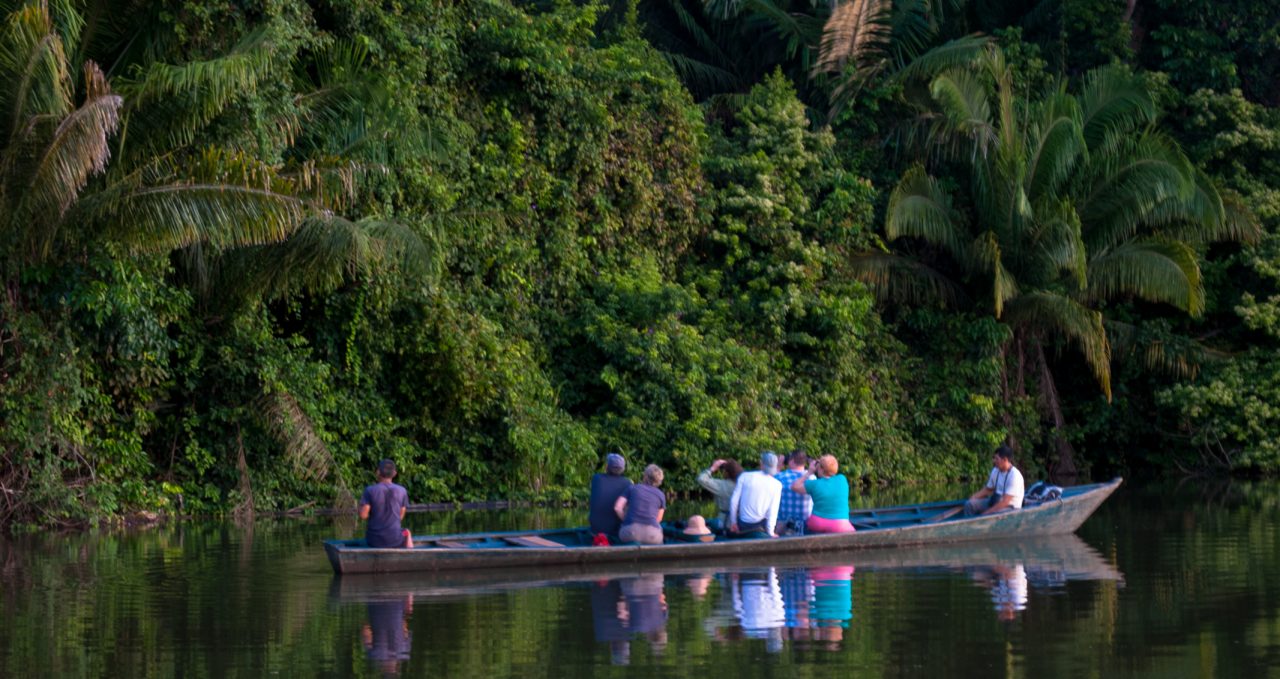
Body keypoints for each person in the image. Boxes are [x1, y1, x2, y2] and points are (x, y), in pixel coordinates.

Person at [789, 454, 855, 533]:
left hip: (817, 524)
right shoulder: (842, 479)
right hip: (840, 526)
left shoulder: (814, 484)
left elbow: (794, 486)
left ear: (821, 469)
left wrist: (809, 472)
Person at [359, 459, 414, 548]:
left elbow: (363, 515)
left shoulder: (369, 490)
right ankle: (410, 555)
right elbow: (400, 516)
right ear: (394, 473)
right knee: (407, 532)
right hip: (395, 539)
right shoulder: (402, 490)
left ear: (377, 472)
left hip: (374, 540)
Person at [728, 451, 783, 537]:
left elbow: (733, 502)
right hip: (761, 525)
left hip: (743, 524)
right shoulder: (777, 484)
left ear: (761, 463)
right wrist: (771, 532)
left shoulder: (744, 476)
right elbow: (773, 511)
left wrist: (733, 522)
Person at [964, 444, 1025, 516]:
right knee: (969, 504)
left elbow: (1005, 502)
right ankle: (970, 525)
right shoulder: (995, 470)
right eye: (994, 458)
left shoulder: (1015, 476)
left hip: (1011, 507)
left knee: (991, 514)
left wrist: (986, 513)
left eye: (996, 459)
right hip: (995, 501)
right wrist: (973, 497)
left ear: (1005, 460)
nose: (994, 461)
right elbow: (988, 490)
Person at [614, 464, 667, 545]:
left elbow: (617, 508)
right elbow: (658, 519)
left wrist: (626, 519)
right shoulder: (661, 495)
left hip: (630, 533)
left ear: (645, 476)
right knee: (660, 532)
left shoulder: (632, 488)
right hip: (652, 536)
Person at [590, 453, 633, 542]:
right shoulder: (627, 483)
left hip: (595, 529)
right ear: (623, 469)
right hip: (615, 531)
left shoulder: (596, 478)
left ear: (607, 467)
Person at [774, 449, 813, 535]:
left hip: (783, 526)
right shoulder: (812, 478)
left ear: (791, 461)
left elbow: (772, 481)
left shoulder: (779, 477)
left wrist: (778, 466)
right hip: (805, 525)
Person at [697, 458, 743, 528]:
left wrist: (713, 468)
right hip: (741, 520)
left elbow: (701, 479)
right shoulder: (744, 483)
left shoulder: (722, 485)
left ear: (727, 473)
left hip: (725, 522)